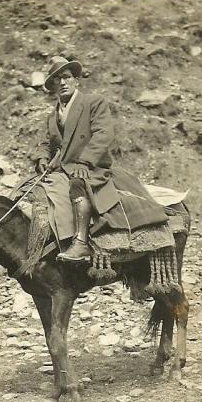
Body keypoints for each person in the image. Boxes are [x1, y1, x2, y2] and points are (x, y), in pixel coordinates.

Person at [30, 56, 168, 263]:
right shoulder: (53, 116)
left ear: (76, 80)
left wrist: (85, 161)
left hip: (91, 166)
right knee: (32, 188)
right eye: (57, 80)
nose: (63, 83)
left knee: (78, 183)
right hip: (63, 167)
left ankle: (81, 243)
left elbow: (103, 133)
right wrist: (42, 158)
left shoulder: (93, 103)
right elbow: (47, 143)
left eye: (66, 77)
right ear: (53, 86)